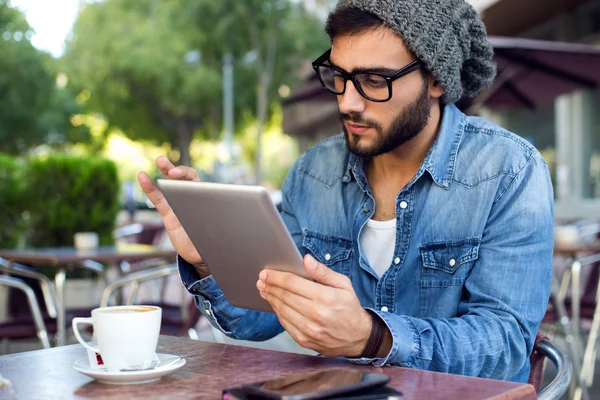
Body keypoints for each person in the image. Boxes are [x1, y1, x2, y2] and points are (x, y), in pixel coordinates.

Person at [138, 0, 553, 383]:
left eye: (374, 80)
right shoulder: (312, 173)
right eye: (340, 76)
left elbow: (505, 344)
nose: (348, 102)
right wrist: (211, 259)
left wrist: (373, 338)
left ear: (435, 80)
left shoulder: (508, 170)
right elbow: (260, 320)